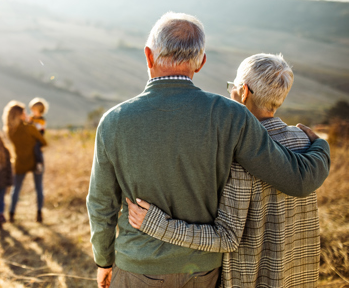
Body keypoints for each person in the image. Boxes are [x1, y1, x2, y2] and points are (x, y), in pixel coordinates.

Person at [86, 12, 330, 288]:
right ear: (200, 62)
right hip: (202, 271)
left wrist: (103, 260)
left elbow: (101, 203)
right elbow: (296, 179)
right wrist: (320, 145)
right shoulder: (231, 115)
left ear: (148, 56)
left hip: (137, 267)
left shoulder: (114, 121)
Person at [127, 53, 322, 287]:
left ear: (244, 92)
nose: (230, 93)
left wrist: (158, 225)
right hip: (299, 277)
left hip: (251, 280)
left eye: (233, 87)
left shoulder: (238, 152)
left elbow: (227, 238)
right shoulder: (305, 141)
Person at [3, 100, 47, 223]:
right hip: (36, 160)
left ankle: (11, 214)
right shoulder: (30, 128)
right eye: (24, 112)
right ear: (20, 114)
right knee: (39, 187)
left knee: (16, 188)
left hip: (20, 161)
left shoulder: (10, 131)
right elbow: (43, 141)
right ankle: (39, 213)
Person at [27, 97, 49, 174]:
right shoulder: (31, 118)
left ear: (40, 110)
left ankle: (39, 163)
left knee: (36, 148)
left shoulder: (42, 120)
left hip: (38, 139)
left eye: (34, 110)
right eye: (32, 110)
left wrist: (31, 123)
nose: (32, 112)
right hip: (31, 138)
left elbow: (38, 128)